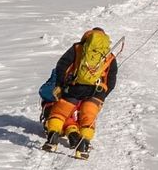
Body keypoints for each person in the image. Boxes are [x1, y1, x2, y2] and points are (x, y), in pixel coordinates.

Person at [41, 27, 118, 157]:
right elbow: (111, 79)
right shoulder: (109, 55)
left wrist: (60, 84)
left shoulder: (78, 48)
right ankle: (82, 147)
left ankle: (52, 139)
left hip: (74, 88)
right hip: (97, 91)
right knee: (88, 117)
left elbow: (62, 65)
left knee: (60, 112)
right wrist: (102, 95)